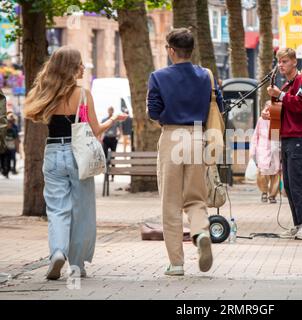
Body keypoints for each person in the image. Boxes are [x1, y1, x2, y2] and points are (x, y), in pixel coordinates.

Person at [23, 46, 128, 280]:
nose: (83, 67)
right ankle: (77, 265)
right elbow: (95, 130)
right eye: (80, 63)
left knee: (58, 209)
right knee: (81, 210)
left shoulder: (45, 91)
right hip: (78, 154)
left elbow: (33, 116)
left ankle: (58, 252)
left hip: (52, 153)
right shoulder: (82, 94)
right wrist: (113, 118)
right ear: (72, 67)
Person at [147, 28, 223, 276]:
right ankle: (201, 232)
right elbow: (218, 105)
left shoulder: (158, 77)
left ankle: (177, 263)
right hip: (198, 137)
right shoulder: (205, 76)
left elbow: (153, 111)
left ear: (171, 50)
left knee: (170, 203)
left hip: (171, 137)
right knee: (196, 198)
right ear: (191, 50)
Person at [262, 47, 302, 240]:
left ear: (294, 61)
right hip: (288, 138)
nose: (281, 65)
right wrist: (271, 113)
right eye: (279, 61)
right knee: (290, 185)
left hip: (299, 138)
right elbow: (288, 109)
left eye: (284, 61)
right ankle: (298, 223)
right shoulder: (287, 86)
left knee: (298, 181)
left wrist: (280, 96)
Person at [249, 102, 281, 204]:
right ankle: (264, 191)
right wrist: (252, 150)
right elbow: (255, 135)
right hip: (262, 149)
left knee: (275, 173)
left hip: (275, 148)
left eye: (270, 107)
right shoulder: (260, 120)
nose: (268, 109)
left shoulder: (277, 119)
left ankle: (272, 195)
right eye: (266, 106)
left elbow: (279, 135)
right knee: (262, 172)